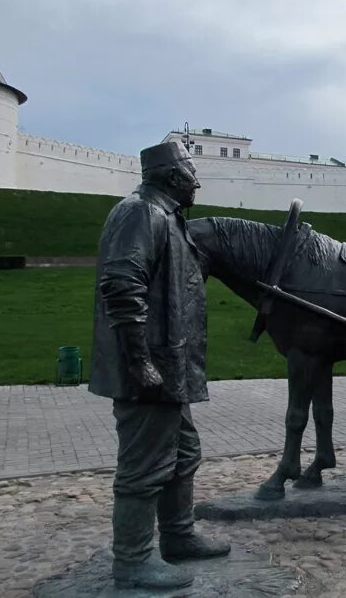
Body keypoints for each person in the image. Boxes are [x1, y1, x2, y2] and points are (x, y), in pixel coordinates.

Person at [90, 142, 230, 590]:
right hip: (147, 372)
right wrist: (141, 362)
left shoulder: (168, 217)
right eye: (192, 175)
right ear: (172, 177)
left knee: (184, 452)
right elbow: (122, 285)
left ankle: (178, 536)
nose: (198, 183)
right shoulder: (141, 213)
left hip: (170, 372)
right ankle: (131, 561)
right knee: (144, 466)